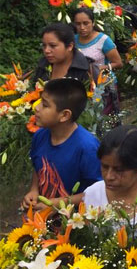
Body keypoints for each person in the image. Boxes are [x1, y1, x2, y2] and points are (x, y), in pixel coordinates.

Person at [23, 78, 102, 210]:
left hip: (76, 218)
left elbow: (98, 191)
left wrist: (59, 203)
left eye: (45, 105)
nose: (36, 107)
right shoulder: (40, 136)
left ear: (64, 115)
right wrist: (34, 190)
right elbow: (38, 167)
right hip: (44, 216)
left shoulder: (88, 148)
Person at [73, 8, 123, 114]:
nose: (82, 27)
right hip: (83, 86)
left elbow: (118, 63)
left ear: (93, 23)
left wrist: (100, 68)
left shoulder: (103, 40)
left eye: (86, 23)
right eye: (78, 24)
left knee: (104, 117)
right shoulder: (73, 40)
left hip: (104, 86)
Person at [33, 23, 98, 85]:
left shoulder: (87, 70)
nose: (46, 50)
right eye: (44, 45)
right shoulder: (43, 66)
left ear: (70, 46)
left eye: (53, 46)